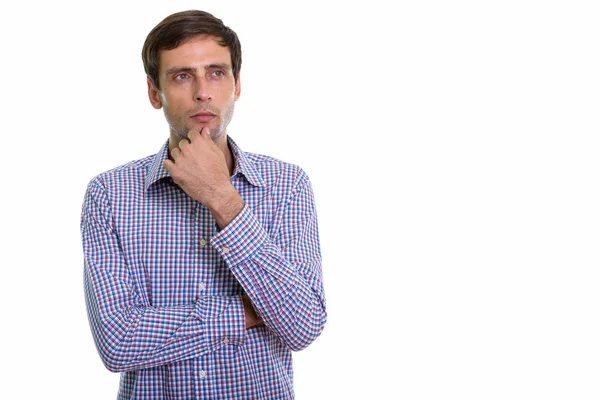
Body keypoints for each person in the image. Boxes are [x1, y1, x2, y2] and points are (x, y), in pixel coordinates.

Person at [80, 10, 327, 399]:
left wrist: (221, 196)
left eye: (216, 72)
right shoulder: (110, 195)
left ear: (237, 84)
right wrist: (248, 311)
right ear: (153, 92)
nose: (202, 92)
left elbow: (302, 324)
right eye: (182, 76)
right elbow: (118, 341)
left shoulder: (287, 185)